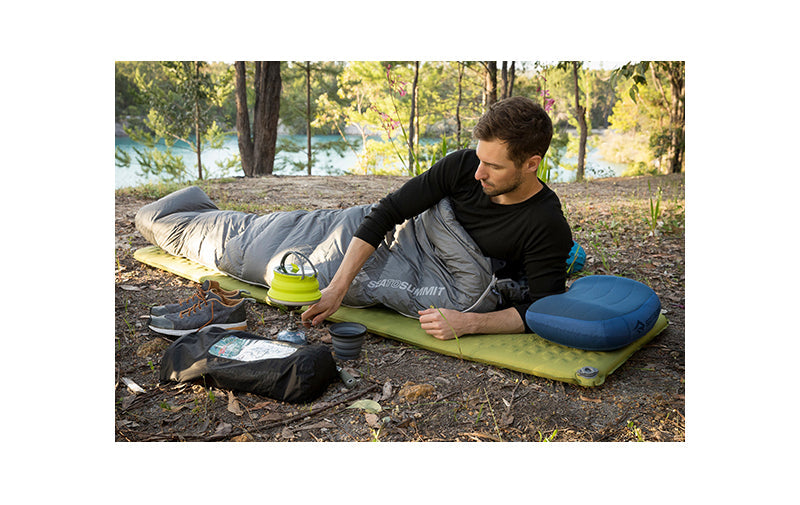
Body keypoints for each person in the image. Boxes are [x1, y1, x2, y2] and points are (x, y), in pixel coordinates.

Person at [301, 96, 573, 339]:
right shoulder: (462, 166)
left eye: (493, 166)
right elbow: (387, 212)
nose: (478, 173)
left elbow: (541, 310)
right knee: (301, 250)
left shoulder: (546, 224)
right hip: (397, 239)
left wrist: (469, 323)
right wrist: (337, 287)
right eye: (480, 159)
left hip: (444, 278)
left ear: (531, 164)